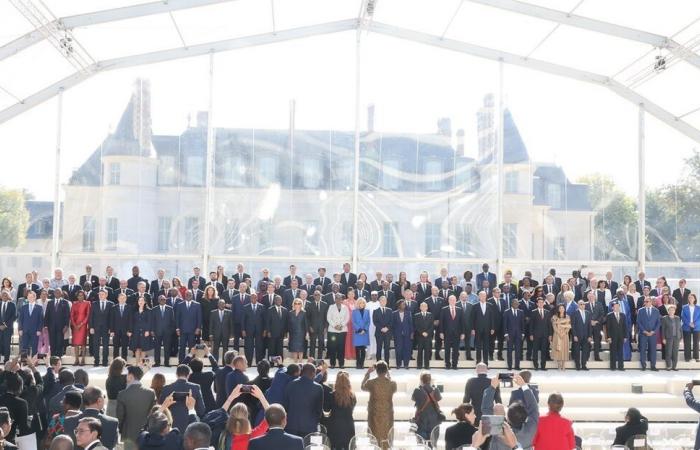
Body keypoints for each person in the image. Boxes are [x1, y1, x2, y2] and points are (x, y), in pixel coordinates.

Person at [482, 373, 539, 450]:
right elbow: (534, 408)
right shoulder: (531, 429)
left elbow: (486, 409)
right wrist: (524, 386)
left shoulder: (498, 429)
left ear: (507, 417)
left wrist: (492, 387)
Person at [116, 366, 156, 450]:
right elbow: (153, 413)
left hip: (128, 434)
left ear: (130, 376)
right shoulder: (151, 393)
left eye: (127, 374)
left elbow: (120, 416)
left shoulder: (122, 394)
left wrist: (119, 430)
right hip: (146, 432)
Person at [219, 385, 270, 450]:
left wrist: (231, 397)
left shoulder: (223, 436)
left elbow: (218, 415)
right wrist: (261, 397)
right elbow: (271, 417)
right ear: (247, 418)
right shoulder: (253, 435)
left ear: (230, 417)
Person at [159, 365, 206, 432]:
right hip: (190, 426)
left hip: (170, 427)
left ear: (176, 374)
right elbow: (201, 410)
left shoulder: (166, 388)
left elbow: (161, 409)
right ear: (188, 375)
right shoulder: (195, 388)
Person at [362, 361, 396, 449]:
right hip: (387, 414)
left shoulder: (371, 383)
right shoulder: (392, 384)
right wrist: (389, 375)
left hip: (375, 414)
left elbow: (362, 386)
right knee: (386, 436)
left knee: (375, 436)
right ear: (386, 370)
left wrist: (368, 373)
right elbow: (394, 388)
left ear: (376, 371)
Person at [282, 363, 323, 437]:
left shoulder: (291, 384)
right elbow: (319, 411)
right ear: (313, 373)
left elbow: (285, 406)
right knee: (310, 447)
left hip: (291, 427)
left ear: (301, 372)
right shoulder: (318, 388)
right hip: (310, 428)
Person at [325, 371, 356, 450]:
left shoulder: (332, 395)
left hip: (334, 425)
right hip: (348, 425)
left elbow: (326, 409)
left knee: (334, 446)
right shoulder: (352, 396)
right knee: (347, 446)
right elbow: (352, 409)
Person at [184, 346, 219, 411]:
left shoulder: (189, 377)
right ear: (202, 366)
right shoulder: (209, 375)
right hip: (210, 405)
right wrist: (208, 353)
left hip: (196, 406)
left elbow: (181, 368)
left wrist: (190, 354)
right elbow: (216, 368)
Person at [411, 372, 443, 441]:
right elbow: (439, 399)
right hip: (434, 419)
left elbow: (413, 399)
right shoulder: (435, 390)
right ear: (430, 380)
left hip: (421, 419)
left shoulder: (417, 390)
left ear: (421, 380)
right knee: (433, 442)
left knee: (422, 442)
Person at [176, 293, 203, 363]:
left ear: (192, 296)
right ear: (185, 295)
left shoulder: (197, 304)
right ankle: (181, 362)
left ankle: (191, 362)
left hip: (193, 330)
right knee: (182, 347)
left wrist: (198, 328)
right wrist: (177, 328)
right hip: (182, 330)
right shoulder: (180, 305)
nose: (188, 296)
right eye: (187, 294)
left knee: (192, 348)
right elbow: (177, 318)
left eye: (190, 295)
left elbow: (199, 317)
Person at [89, 290, 113, 367]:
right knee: (96, 345)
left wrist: (111, 328)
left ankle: (105, 362)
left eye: (103, 294)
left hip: (106, 328)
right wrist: (91, 327)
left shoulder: (111, 304)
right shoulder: (94, 304)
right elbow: (91, 316)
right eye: (100, 294)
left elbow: (112, 317)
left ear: (106, 295)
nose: (101, 296)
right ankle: (96, 361)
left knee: (106, 346)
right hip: (96, 328)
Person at [471, 291, 495, 365]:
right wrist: (472, 329)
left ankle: (485, 362)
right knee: (478, 346)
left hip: (487, 329)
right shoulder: (475, 306)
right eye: (481, 296)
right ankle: (478, 362)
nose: (483, 297)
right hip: (478, 329)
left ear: (486, 296)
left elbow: (492, 318)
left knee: (486, 346)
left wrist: (492, 328)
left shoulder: (490, 305)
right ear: (479, 297)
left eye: (484, 296)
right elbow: (472, 318)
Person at [241, 295, 265, 365]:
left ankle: (259, 363)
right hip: (248, 330)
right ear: (250, 298)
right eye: (252, 297)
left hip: (259, 330)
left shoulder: (262, 307)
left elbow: (264, 320)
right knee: (248, 346)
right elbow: (243, 320)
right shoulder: (245, 307)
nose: (253, 299)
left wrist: (265, 330)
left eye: (255, 297)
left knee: (259, 346)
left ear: (257, 298)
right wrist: (243, 330)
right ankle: (248, 362)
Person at [638, 296, 661, 371]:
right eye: (645, 301)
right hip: (643, 334)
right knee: (642, 349)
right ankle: (643, 365)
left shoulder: (656, 311)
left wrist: (653, 331)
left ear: (651, 302)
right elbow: (638, 322)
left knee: (653, 350)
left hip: (652, 334)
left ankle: (653, 365)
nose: (645, 303)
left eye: (647, 301)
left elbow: (658, 323)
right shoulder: (640, 310)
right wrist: (644, 331)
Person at [44, 291, 70, 358]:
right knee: (52, 343)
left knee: (59, 343)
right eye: (56, 292)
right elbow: (47, 315)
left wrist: (66, 326)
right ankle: (52, 358)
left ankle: (58, 358)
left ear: (61, 294)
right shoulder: (50, 302)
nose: (57, 293)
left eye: (58, 292)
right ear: (54, 293)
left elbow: (67, 315)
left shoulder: (65, 302)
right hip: (51, 327)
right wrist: (45, 325)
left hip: (61, 327)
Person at [529, 297, 552, 371]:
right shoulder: (533, 312)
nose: (541, 304)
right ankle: (536, 366)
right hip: (536, 335)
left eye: (542, 302)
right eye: (539, 302)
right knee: (535, 350)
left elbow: (549, 325)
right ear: (537, 304)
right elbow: (531, 325)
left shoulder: (547, 312)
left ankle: (543, 366)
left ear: (544, 303)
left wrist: (550, 335)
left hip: (545, 335)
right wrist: (531, 334)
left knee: (544, 351)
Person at [152, 295, 175, 367]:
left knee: (167, 348)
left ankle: (166, 363)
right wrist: (152, 330)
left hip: (167, 332)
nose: (163, 300)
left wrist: (171, 331)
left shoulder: (170, 309)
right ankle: (157, 362)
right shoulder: (154, 309)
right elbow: (152, 321)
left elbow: (172, 321)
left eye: (164, 299)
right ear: (158, 300)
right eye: (161, 299)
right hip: (157, 331)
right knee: (157, 348)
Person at [327, 294, 349, 369]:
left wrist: (341, 325)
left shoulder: (345, 307)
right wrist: (335, 326)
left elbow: (347, 318)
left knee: (341, 347)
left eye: (340, 298)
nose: (338, 300)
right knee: (332, 347)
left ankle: (341, 364)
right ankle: (332, 363)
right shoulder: (331, 307)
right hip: (332, 330)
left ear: (342, 299)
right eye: (337, 298)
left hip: (342, 330)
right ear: (335, 299)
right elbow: (328, 318)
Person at [18, 291, 43, 355]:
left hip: (35, 331)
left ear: (35, 297)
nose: (30, 298)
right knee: (25, 346)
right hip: (25, 330)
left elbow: (41, 320)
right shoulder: (24, 307)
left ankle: (34, 361)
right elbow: (20, 319)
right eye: (29, 297)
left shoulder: (39, 308)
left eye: (32, 297)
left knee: (35, 346)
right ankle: (25, 361)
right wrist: (20, 329)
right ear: (27, 298)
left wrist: (39, 330)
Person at [503, 298, 525, 371]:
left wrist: (523, 334)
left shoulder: (521, 312)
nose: (517, 304)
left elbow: (522, 324)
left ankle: (517, 366)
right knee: (509, 351)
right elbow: (504, 324)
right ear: (512, 304)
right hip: (509, 335)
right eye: (515, 303)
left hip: (518, 335)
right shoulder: (507, 312)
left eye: (518, 303)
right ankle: (509, 366)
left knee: (518, 351)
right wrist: (506, 334)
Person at [130, 296, 153, 364]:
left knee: (143, 349)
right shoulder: (134, 310)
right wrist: (130, 331)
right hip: (135, 331)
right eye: (139, 301)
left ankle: (142, 364)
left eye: (142, 301)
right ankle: (137, 364)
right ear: (137, 302)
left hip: (144, 332)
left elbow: (149, 321)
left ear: (145, 302)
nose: (141, 302)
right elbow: (131, 321)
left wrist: (147, 330)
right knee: (137, 349)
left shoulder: (148, 310)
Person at [606, 302, 628, 371]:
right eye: (615, 306)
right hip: (613, 337)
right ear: (612, 307)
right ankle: (613, 367)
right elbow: (608, 327)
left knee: (620, 352)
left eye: (618, 306)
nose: (617, 308)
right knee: (613, 352)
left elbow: (625, 326)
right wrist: (608, 337)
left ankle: (621, 367)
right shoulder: (609, 315)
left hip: (621, 336)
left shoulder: (623, 315)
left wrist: (625, 336)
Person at [307, 291, 328, 360]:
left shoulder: (325, 305)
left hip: (322, 328)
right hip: (313, 328)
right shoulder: (310, 305)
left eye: (318, 295)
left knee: (321, 343)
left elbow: (326, 317)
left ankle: (319, 359)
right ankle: (312, 359)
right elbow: (308, 318)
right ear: (313, 296)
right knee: (312, 344)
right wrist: (310, 327)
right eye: (315, 295)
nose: (317, 296)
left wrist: (325, 327)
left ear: (320, 295)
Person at [392, 300, 413, 369]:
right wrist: (393, 334)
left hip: (407, 334)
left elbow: (410, 324)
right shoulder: (394, 313)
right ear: (399, 305)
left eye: (404, 304)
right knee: (398, 350)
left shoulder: (408, 313)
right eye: (402, 304)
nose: (404, 305)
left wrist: (412, 333)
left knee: (406, 349)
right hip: (397, 335)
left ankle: (406, 364)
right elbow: (393, 324)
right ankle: (398, 364)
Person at [662, 304, 682, 370]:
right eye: (670, 310)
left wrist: (681, 337)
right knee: (668, 352)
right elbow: (663, 329)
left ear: (674, 311)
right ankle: (668, 366)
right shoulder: (665, 318)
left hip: (677, 337)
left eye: (673, 310)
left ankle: (674, 366)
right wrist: (663, 338)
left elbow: (680, 328)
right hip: (668, 337)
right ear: (668, 311)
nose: (671, 311)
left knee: (675, 352)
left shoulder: (677, 318)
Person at [551, 304, 571, 370]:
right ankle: (559, 365)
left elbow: (568, 327)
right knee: (558, 350)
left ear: (564, 309)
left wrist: (564, 332)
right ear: (558, 309)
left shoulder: (567, 317)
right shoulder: (554, 317)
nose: (561, 309)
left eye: (563, 308)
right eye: (560, 308)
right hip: (557, 335)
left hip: (565, 335)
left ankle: (563, 365)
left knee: (564, 349)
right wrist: (559, 333)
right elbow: (554, 326)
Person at [352, 298, 370, 369]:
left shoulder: (367, 311)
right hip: (358, 333)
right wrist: (359, 329)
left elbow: (368, 321)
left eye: (363, 303)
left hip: (364, 333)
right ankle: (358, 364)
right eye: (360, 303)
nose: (361, 304)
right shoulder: (354, 312)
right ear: (357, 304)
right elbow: (353, 322)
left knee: (363, 349)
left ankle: (362, 364)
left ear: (364, 304)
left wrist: (364, 329)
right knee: (357, 349)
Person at [373, 296, 392, 363]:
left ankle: (387, 364)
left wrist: (387, 328)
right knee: (379, 348)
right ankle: (378, 364)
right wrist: (381, 328)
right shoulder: (375, 311)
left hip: (387, 333)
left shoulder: (390, 310)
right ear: (379, 301)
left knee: (387, 349)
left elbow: (391, 321)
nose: (383, 302)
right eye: (382, 300)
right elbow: (375, 322)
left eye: (384, 301)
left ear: (386, 302)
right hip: (379, 332)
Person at [682, 293, 700, 362]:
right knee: (687, 342)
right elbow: (683, 317)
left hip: (697, 327)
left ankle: (696, 357)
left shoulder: (699, 307)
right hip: (687, 326)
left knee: (696, 342)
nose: (690, 299)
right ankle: (687, 357)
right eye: (689, 297)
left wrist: (695, 324)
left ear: (695, 299)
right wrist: (689, 323)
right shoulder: (684, 307)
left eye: (692, 297)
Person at [0, 292, 16, 363]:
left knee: (7, 344)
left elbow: (14, 316)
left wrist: (5, 325)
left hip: (8, 328)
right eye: (3, 295)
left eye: (6, 295)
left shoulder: (12, 305)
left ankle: (6, 360)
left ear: (9, 296)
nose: (4, 296)